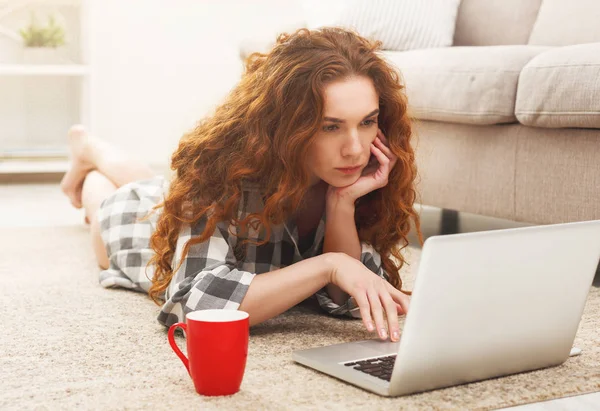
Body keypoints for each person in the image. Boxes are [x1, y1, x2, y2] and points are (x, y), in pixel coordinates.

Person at [60, 27, 422, 343]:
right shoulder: (221, 175)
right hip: (142, 228)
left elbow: (354, 295)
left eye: (367, 122)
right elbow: (193, 303)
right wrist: (328, 264)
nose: (355, 149)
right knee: (109, 203)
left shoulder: (356, 178)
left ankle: (90, 149)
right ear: (285, 126)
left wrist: (342, 205)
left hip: (173, 201)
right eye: (330, 126)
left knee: (155, 184)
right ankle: (89, 152)